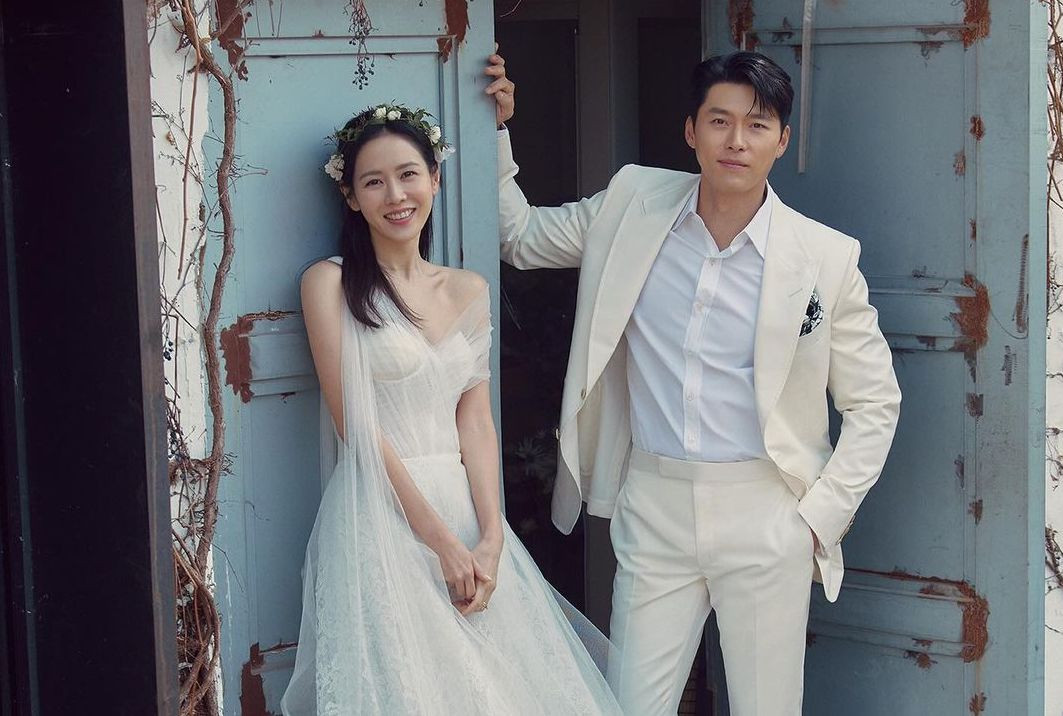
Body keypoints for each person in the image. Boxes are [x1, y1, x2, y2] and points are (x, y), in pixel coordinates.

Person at [486, 50, 901, 714]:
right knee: (632, 703)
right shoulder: (632, 204)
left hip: (766, 510)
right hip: (655, 502)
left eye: (757, 125)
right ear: (690, 130)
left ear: (781, 140)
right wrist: (494, 128)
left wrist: (815, 521)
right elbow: (522, 238)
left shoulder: (824, 256)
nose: (736, 141)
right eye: (719, 120)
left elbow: (874, 402)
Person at [281, 104, 622, 715]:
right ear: (351, 197)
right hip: (380, 508)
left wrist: (490, 534)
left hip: (464, 508)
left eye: (408, 175)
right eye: (373, 182)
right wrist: (439, 542)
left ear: (435, 180)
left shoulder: (469, 288)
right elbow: (356, 425)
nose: (395, 195)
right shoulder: (328, 283)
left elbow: (476, 419)